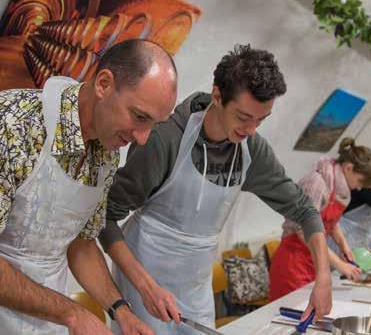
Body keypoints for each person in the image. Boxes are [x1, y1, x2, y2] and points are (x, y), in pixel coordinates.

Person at [98, 44, 332, 334]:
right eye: (244, 117)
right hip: (142, 277)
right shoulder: (165, 138)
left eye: (261, 120)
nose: (251, 129)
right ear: (217, 96)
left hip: (196, 285)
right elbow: (104, 215)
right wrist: (144, 285)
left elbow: (304, 209)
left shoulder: (251, 150)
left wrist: (323, 278)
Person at [0, 39, 178, 334]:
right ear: (104, 84)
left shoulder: (105, 154)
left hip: (47, 319)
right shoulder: (12, 125)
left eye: (153, 125)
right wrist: (72, 313)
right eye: (139, 117)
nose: (143, 138)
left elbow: (80, 243)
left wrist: (121, 311)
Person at [269, 138, 371, 300]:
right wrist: (339, 264)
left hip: (314, 261)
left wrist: (344, 246)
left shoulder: (340, 190)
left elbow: (331, 223)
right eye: (360, 181)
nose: (360, 187)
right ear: (348, 168)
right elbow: (305, 230)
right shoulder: (317, 183)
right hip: (293, 263)